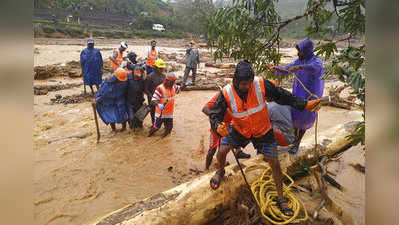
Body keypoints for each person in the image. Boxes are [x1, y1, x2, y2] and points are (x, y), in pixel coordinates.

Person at [209, 60, 321, 216]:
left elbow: (283, 96)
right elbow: (215, 114)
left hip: (262, 129)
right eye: (242, 84)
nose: (246, 87)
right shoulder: (226, 92)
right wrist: (218, 126)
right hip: (240, 129)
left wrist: (304, 104)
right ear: (235, 80)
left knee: (274, 163)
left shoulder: (261, 84)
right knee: (221, 152)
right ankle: (220, 172)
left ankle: (281, 198)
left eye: (248, 83)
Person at [268, 38, 325, 154]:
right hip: (298, 93)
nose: (298, 53)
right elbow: (286, 69)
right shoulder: (299, 61)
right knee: (295, 118)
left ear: (307, 51)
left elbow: (315, 67)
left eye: (300, 51)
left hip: (311, 96)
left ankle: (297, 143)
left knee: (304, 119)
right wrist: (275, 68)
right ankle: (294, 140)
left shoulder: (316, 60)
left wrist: (300, 68)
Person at [202, 92, 250, 170]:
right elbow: (205, 109)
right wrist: (216, 118)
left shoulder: (242, 96)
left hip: (230, 128)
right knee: (212, 150)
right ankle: (206, 169)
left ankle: (237, 152)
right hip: (217, 128)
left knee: (225, 148)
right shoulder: (221, 95)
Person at [148, 73, 181, 138]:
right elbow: (153, 101)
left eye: (174, 82)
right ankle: (149, 136)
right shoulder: (160, 88)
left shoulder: (174, 86)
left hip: (169, 113)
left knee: (169, 128)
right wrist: (158, 104)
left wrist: (185, 85)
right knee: (156, 128)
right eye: (171, 82)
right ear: (167, 81)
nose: (172, 83)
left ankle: (163, 139)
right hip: (161, 113)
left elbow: (179, 89)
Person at [125, 52, 145, 130]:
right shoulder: (127, 78)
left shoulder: (142, 80)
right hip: (130, 101)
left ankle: (139, 129)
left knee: (140, 118)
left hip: (139, 100)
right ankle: (132, 130)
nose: (137, 77)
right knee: (131, 118)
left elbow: (145, 89)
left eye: (138, 76)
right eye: (136, 76)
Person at [144, 59, 166, 125]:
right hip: (152, 98)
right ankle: (154, 124)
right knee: (153, 112)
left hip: (161, 98)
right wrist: (151, 96)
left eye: (162, 68)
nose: (162, 70)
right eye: (160, 68)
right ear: (156, 68)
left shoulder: (163, 76)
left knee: (162, 112)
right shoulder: (149, 77)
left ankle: (160, 124)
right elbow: (145, 89)